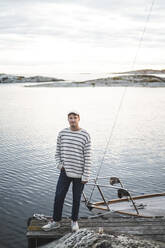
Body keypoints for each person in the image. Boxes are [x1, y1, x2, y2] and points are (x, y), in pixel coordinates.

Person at [42, 110, 91, 232]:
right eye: (70, 118)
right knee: (59, 196)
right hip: (65, 172)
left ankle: (74, 221)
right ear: (68, 119)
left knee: (76, 199)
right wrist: (59, 165)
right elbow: (57, 152)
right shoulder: (62, 133)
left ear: (79, 118)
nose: (73, 120)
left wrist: (86, 175)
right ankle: (56, 221)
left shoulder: (85, 135)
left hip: (80, 174)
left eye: (75, 117)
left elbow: (88, 157)